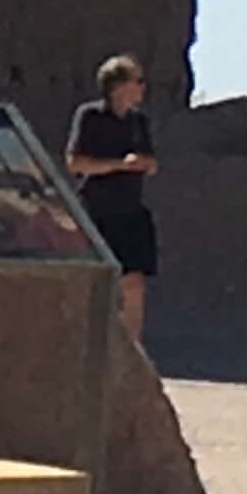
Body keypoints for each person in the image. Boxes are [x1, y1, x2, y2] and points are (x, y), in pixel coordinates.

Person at [65, 54, 162, 342]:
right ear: (118, 85)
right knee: (96, 284)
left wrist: (144, 164)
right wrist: (119, 165)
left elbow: (152, 163)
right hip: (96, 211)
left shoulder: (138, 122)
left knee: (134, 283)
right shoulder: (91, 116)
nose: (143, 88)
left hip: (131, 211)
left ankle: (132, 352)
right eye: (138, 81)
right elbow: (76, 164)